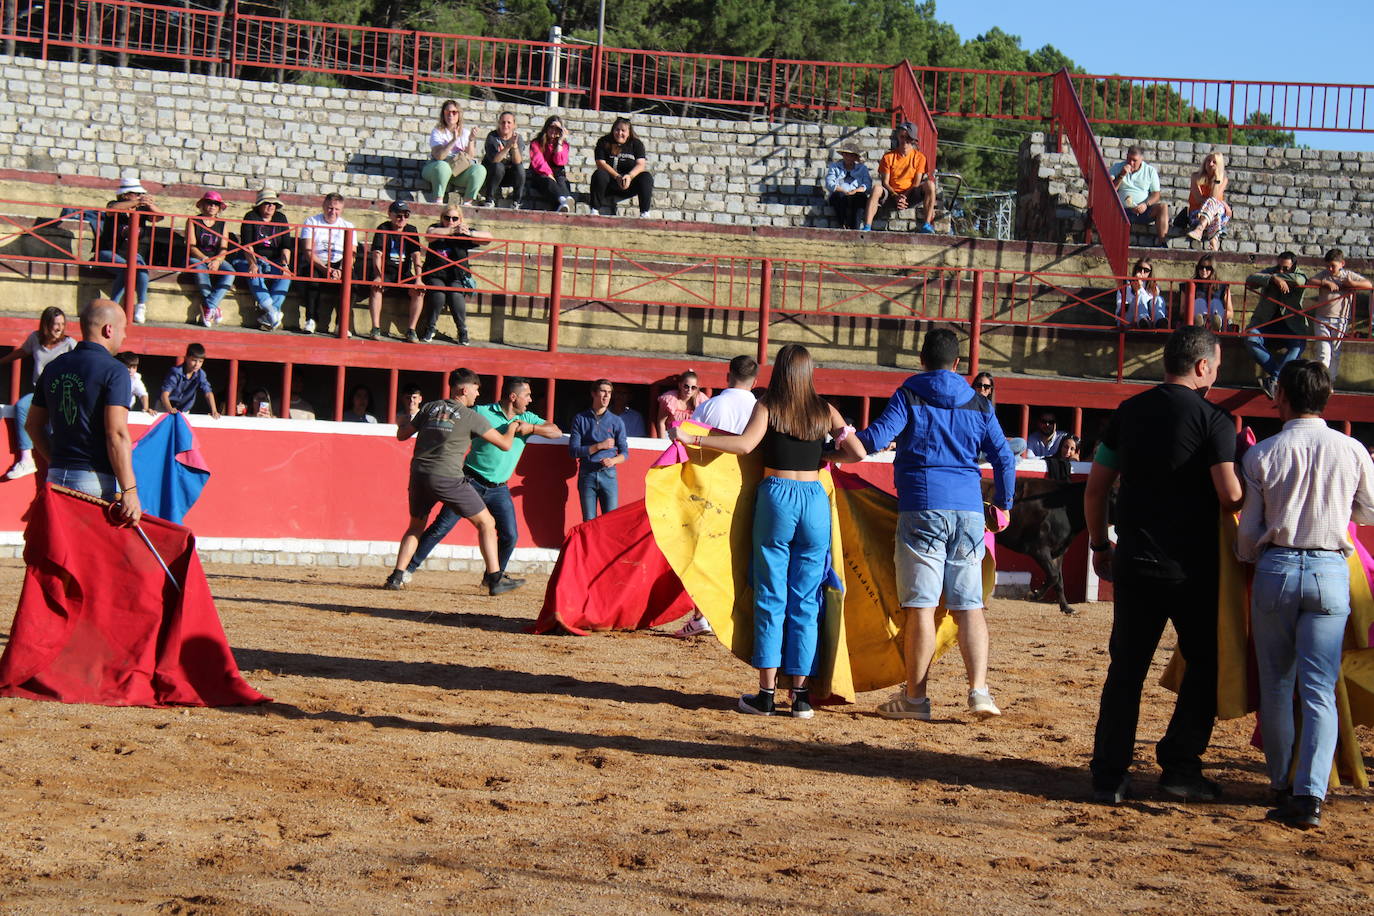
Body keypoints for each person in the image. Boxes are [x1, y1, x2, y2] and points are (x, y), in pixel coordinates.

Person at [1084, 326, 1243, 805]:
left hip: (1134, 560)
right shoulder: (1215, 420)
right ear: (1201, 367)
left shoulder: (1128, 412)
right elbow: (1229, 493)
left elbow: (1096, 489)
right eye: (1215, 366)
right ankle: (1180, 766)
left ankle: (1110, 775)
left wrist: (1098, 545)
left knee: (1126, 671)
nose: (1216, 374)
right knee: (1207, 663)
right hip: (1192, 569)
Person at [684, 344, 865, 717]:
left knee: (770, 595)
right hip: (814, 498)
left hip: (778, 498)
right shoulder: (825, 409)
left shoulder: (767, 406)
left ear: (780, 371)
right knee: (806, 599)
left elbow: (745, 444)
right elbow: (858, 453)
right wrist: (825, 455)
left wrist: (696, 438)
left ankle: (766, 694)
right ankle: (799, 697)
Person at [849, 329, 1015, 722]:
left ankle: (916, 700)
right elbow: (1005, 460)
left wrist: (837, 443)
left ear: (922, 360)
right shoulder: (978, 401)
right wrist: (1003, 506)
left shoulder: (910, 393)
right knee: (969, 607)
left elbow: (875, 439)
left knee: (921, 608)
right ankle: (979, 692)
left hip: (922, 506)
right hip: (971, 511)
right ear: (958, 365)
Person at [1236, 360, 1374, 830]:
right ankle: (1310, 795)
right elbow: (1369, 512)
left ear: (1283, 398)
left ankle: (1279, 782)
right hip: (1330, 571)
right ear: (1327, 398)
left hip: (1277, 567)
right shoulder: (1353, 450)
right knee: (1319, 690)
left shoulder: (1263, 454)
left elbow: (1247, 535)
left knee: (1276, 684)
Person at [399, 377, 561, 588]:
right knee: (441, 527)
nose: (530, 400)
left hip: (499, 487)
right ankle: (407, 570)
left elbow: (556, 431)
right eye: (527, 395)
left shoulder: (527, 417)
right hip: (470, 479)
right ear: (513, 397)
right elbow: (455, 421)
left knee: (510, 535)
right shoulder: (481, 412)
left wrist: (531, 429)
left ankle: (494, 577)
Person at [382, 368, 526, 596]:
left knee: (416, 526)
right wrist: (514, 426)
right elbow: (505, 445)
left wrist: (403, 420)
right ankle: (495, 578)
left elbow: (402, 435)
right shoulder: (471, 417)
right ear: (463, 390)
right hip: (448, 477)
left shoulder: (430, 407)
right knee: (486, 523)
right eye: (476, 390)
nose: (477, 395)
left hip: (419, 475)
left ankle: (397, 576)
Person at [24, 299, 140, 524]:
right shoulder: (115, 371)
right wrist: (130, 491)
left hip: (56, 475)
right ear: (109, 329)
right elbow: (116, 434)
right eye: (123, 329)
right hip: (94, 480)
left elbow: (32, 425)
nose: (124, 336)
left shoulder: (54, 367)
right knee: (92, 555)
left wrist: (56, 459)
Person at [675, 355, 762, 638]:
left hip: (711, 492)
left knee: (707, 553)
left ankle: (703, 615)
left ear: (728, 376)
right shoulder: (762, 410)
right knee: (744, 554)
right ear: (756, 381)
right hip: (751, 491)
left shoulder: (711, 406)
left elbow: (686, 447)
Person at [1, 307, 77, 480]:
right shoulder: (35, 338)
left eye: (62, 324)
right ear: (46, 324)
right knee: (21, 406)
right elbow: (22, 351)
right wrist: (2, 361)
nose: (59, 328)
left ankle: (57, 469)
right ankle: (26, 459)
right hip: (40, 393)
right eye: (55, 323)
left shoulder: (70, 344)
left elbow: (83, 365)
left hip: (60, 395)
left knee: (52, 431)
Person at [419, 206, 491, 345]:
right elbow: (429, 235)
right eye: (447, 218)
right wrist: (451, 231)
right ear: (442, 218)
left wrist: (470, 234)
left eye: (454, 218)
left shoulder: (464, 232)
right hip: (435, 274)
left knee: (455, 294)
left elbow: (489, 238)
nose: (450, 221)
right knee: (438, 293)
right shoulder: (437, 227)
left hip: (457, 276)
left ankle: (462, 330)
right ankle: (430, 328)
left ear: (460, 219)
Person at [96, 174, 162, 323]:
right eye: (137, 194)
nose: (140, 196)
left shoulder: (141, 210)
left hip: (131, 254)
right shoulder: (114, 204)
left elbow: (159, 217)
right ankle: (114, 304)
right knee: (127, 270)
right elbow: (112, 209)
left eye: (141, 194)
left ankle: (141, 305)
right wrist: (138, 202)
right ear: (126, 195)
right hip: (108, 251)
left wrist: (149, 204)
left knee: (142, 270)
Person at [1246, 251, 1309, 399]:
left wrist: (1277, 278)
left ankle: (1274, 379)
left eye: (1285, 269)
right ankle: (1279, 378)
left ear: (1294, 266)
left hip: (1291, 325)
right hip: (1265, 322)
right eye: (1279, 267)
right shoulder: (1272, 273)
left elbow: (1300, 281)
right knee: (1250, 339)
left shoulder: (1300, 275)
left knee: (1299, 345)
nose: (1281, 271)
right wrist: (1274, 278)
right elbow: (1251, 278)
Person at [1308, 247, 1371, 381]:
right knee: (1323, 352)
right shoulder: (1324, 274)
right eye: (1328, 266)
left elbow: (1369, 285)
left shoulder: (1348, 275)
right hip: (1322, 319)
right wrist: (1324, 282)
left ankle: (1330, 381)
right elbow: (1310, 281)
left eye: (1333, 266)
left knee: (1335, 353)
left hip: (1341, 320)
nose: (1330, 269)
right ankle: (1321, 381)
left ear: (1342, 264)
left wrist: (1352, 284)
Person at [569, 378, 628, 521]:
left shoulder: (616, 421)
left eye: (609, 392)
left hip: (608, 474)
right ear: (593, 394)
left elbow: (625, 453)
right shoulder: (580, 419)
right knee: (589, 521)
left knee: (611, 520)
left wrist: (613, 461)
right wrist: (599, 446)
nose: (606, 396)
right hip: (587, 474)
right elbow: (573, 451)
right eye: (603, 391)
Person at [861, 122, 936, 233]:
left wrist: (904, 197)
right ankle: (867, 226)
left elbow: (916, 183)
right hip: (891, 194)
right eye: (902, 137)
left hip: (910, 195)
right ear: (898, 137)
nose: (904, 140)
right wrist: (896, 196)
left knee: (930, 185)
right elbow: (885, 182)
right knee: (876, 188)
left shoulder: (920, 158)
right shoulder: (888, 157)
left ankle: (927, 224)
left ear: (913, 140)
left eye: (908, 138)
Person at [367, 200, 425, 342]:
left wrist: (419, 279)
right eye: (398, 215)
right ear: (390, 215)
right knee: (376, 288)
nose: (402, 219)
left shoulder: (411, 230)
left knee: (419, 291)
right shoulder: (383, 227)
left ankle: (411, 330)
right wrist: (378, 276)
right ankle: (375, 328)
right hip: (386, 272)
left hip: (404, 273)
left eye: (406, 215)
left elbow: (416, 255)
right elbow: (377, 255)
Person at [298, 193, 355, 336]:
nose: (333, 212)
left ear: (342, 210)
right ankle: (310, 319)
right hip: (317, 261)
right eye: (330, 208)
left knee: (351, 282)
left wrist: (342, 270)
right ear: (324, 206)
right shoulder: (311, 221)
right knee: (313, 278)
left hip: (340, 263)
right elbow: (308, 251)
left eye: (337, 209)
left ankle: (341, 323)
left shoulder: (348, 225)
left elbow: (352, 254)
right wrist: (325, 269)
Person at [236, 189, 293, 332]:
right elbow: (247, 244)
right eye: (267, 203)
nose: (271, 206)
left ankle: (269, 314)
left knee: (286, 276)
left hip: (275, 260)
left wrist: (285, 265)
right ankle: (273, 312)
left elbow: (286, 245)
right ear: (259, 205)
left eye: (273, 204)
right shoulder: (250, 216)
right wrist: (252, 264)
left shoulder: (281, 218)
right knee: (255, 274)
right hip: (253, 258)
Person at [421, 100, 485, 205]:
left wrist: (471, 140)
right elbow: (439, 156)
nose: (451, 115)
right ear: (443, 114)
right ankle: (438, 201)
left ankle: (467, 203)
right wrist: (453, 141)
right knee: (443, 166)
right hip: (436, 169)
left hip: (458, 170)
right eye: (447, 112)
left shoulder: (465, 133)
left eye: (454, 112)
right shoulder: (437, 131)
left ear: (459, 115)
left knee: (480, 169)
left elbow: (470, 157)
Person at [186, 189, 233, 327]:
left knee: (230, 272)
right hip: (198, 257)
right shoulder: (193, 221)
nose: (212, 206)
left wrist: (217, 260)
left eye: (216, 204)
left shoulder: (222, 224)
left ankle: (209, 306)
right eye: (209, 203)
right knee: (200, 269)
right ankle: (214, 308)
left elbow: (224, 247)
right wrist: (206, 259)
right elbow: (192, 246)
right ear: (202, 204)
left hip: (217, 258)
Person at [590, 117, 653, 217]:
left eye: (623, 130)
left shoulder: (636, 144)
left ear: (629, 132)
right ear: (613, 130)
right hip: (610, 183)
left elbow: (641, 164)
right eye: (617, 130)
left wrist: (629, 176)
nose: (619, 133)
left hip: (628, 184)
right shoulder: (603, 142)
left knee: (646, 177)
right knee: (599, 174)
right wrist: (617, 176)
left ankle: (644, 212)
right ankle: (594, 209)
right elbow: (600, 163)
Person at [1110, 145, 1168, 247]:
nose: (1131, 163)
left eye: (1134, 160)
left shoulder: (1150, 171)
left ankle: (1162, 242)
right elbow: (1110, 190)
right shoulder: (1117, 167)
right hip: (1122, 211)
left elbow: (1156, 194)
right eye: (1129, 159)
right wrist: (1121, 175)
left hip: (1143, 210)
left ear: (1141, 159)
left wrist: (1145, 204)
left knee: (1163, 207)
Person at [690, 356, 759, 434]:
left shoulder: (706, 406)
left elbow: (690, 439)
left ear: (728, 377)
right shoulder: (762, 413)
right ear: (754, 383)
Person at [970, 372, 1026, 457]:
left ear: (990, 390)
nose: (982, 389)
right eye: (979, 385)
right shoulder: (967, 405)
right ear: (974, 386)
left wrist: (1003, 439)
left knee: (1020, 443)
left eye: (986, 387)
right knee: (1015, 458)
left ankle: (998, 456)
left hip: (989, 446)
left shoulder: (989, 408)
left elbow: (993, 433)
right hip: (974, 447)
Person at [159, 343, 221, 418]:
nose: (197, 364)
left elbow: (208, 393)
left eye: (200, 361)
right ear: (186, 358)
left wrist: (214, 411)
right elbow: (164, 394)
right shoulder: (176, 372)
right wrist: (170, 409)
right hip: (164, 407)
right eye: (194, 360)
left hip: (184, 411)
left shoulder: (200, 374)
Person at [527, 116, 574, 213]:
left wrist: (560, 142)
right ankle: (562, 200)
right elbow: (538, 162)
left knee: (562, 180)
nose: (554, 131)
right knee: (549, 182)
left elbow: (559, 162)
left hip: (557, 177)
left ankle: (566, 202)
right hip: (540, 176)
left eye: (557, 129)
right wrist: (549, 175)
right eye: (551, 127)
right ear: (546, 127)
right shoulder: (536, 143)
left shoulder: (564, 145)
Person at [479, 111, 525, 208]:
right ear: (499, 123)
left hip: (509, 175)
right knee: (498, 166)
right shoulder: (492, 137)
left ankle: (517, 201)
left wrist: (515, 146)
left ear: (514, 125)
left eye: (509, 123)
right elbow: (495, 160)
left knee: (520, 169)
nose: (505, 125)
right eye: (503, 122)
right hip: (493, 174)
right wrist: (508, 147)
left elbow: (517, 161)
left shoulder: (518, 138)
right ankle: (490, 199)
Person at [1185, 152, 1230, 248]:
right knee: (1215, 207)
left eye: (1214, 162)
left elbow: (1215, 198)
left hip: (1216, 214)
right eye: (1208, 161)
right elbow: (1198, 199)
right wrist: (1223, 204)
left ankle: (1199, 230)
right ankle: (1214, 243)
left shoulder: (1223, 179)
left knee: (1215, 206)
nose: (1210, 164)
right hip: (1197, 214)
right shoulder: (1195, 177)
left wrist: (1216, 180)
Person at [824, 144, 872, 230]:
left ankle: (855, 227)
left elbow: (867, 184)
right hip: (840, 194)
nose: (848, 157)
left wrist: (856, 191)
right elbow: (829, 183)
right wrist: (842, 190)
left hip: (856, 194)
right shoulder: (835, 167)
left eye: (851, 155)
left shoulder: (862, 169)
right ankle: (842, 224)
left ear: (855, 157)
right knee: (838, 196)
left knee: (860, 197)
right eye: (846, 154)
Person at [654, 370, 708, 438]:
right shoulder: (670, 399)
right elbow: (661, 422)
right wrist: (662, 443)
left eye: (693, 387)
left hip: (692, 438)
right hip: (672, 437)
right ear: (680, 385)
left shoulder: (701, 399)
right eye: (686, 386)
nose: (689, 390)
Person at [1116, 258, 1167, 328]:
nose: (1142, 272)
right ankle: (1143, 321)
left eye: (1146, 270)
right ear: (1136, 270)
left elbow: (1151, 304)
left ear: (1150, 273)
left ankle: (1159, 321)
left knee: (1158, 298)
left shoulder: (1153, 286)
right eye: (1140, 269)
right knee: (1140, 297)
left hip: (1150, 318)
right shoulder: (1127, 284)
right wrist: (1138, 290)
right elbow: (1122, 306)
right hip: (1126, 318)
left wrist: (1141, 290)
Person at [1191, 255, 1231, 331]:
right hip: (1196, 317)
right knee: (1199, 301)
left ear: (1213, 269)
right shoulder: (1192, 285)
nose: (1204, 270)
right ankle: (1200, 323)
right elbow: (1183, 311)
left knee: (1215, 302)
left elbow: (1230, 312)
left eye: (1208, 268)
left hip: (1216, 315)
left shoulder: (1222, 287)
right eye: (1201, 267)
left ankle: (1216, 323)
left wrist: (1213, 316)